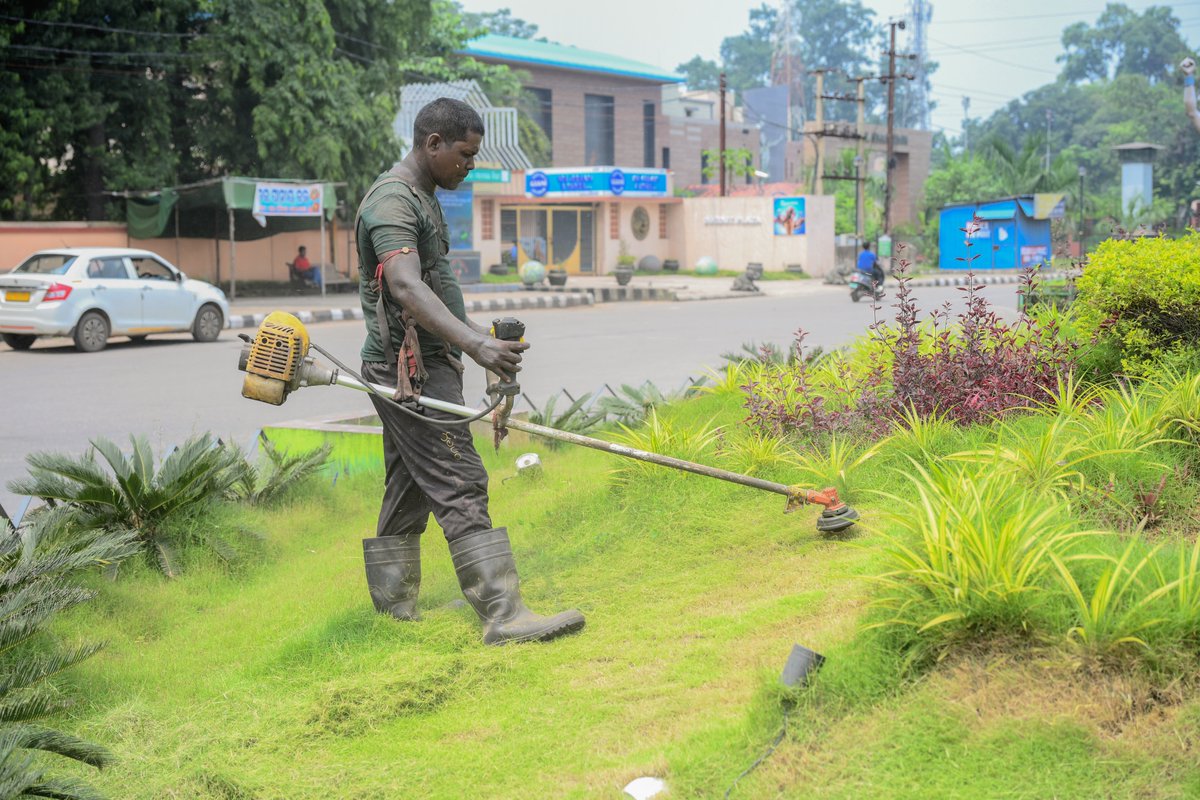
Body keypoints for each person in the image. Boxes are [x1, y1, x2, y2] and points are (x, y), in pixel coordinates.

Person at [355, 97, 585, 646]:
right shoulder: (392, 201)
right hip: (407, 372)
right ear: (433, 143)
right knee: (460, 480)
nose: (470, 165)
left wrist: (478, 338)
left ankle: (393, 610)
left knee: (410, 484)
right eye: (464, 153)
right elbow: (405, 284)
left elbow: (437, 288)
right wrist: (477, 347)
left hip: (424, 364)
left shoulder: (424, 197)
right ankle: (503, 614)